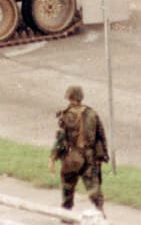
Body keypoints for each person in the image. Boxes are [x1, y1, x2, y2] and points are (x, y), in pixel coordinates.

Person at [48, 84, 107, 213]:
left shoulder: (66, 115)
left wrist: (52, 158)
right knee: (94, 189)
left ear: (69, 97)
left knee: (67, 189)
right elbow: (101, 136)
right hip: (90, 157)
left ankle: (66, 215)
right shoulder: (92, 113)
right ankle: (100, 215)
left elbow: (61, 139)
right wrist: (102, 157)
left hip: (73, 157)